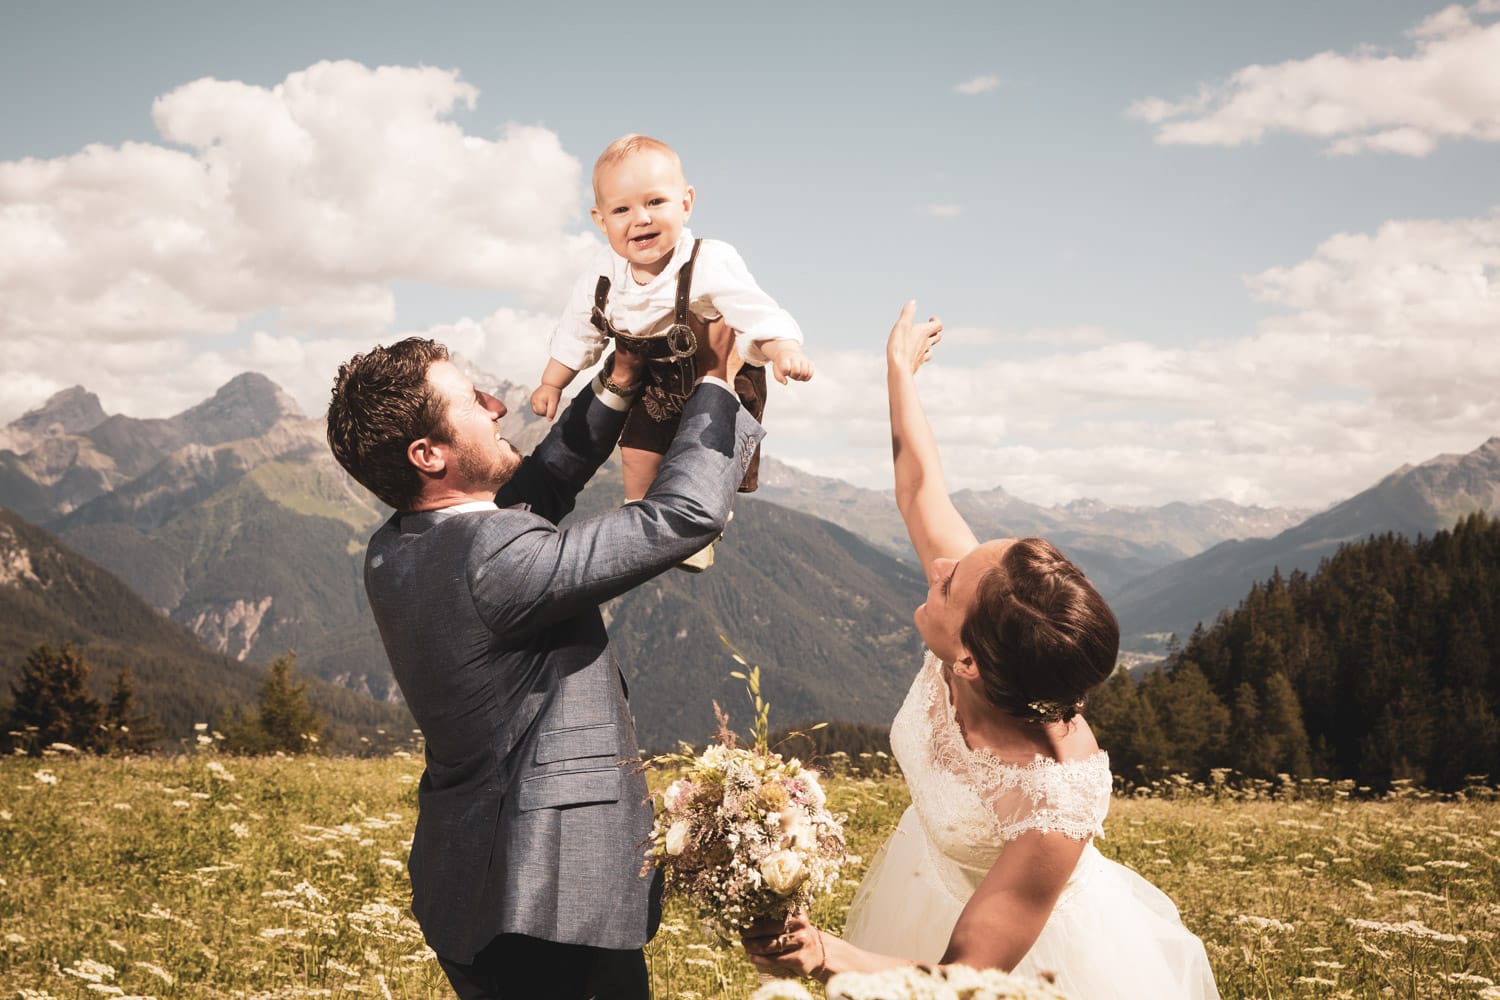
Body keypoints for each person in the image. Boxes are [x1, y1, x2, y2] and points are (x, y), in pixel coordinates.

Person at [742, 302, 1219, 998]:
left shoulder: (1057, 801)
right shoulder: (994, 624)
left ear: (968, 661)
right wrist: (899, 371)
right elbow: (918, 486)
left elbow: (962, 980)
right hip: (923, 880)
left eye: (950, 584)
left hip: (1031, 963)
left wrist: (824, 955)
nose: (938, 566)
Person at [326, 318, 762, 1000]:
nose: (498, 405)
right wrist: (715, 382)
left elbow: (536, 490)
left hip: (474, 888)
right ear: (428, 455)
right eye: (473, 401)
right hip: (552, 903)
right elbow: (679, 517)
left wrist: (618, 382)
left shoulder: (398, 546)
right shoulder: (493, 561)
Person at [530, 134, 813, 569]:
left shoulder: (707, 261)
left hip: (718, 377)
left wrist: (782, 347)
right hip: (654, 383)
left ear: (686, 203)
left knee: (708, 451)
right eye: (621, 209)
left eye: (655, 202)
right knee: (638, 452)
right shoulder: (603, 274)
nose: (639, 219)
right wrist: (553, 381)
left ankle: (703, 524)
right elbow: (578, 330)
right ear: (600, 220)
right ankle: (643, 518)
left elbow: (752, 308)